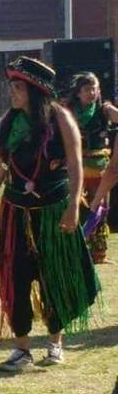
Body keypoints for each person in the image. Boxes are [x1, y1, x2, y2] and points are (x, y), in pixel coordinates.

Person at [0, 56, 101, 372]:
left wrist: (74, 206)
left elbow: (75, 166)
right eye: (11, 87)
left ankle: (55, 344)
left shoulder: (61, 118)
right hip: (16, 211)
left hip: (53, 211)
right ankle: (21, 350)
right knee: (15, 276)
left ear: (34, 90)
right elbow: (0, 167)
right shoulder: (9, 122)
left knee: (54, 276)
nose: (12, 93)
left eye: (17, 87)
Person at [64, 72, 118, 263]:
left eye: (95, 88)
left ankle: (98, 255)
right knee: (74, 209)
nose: (92, 92)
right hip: (75, 170)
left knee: (100, 210)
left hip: (100, 170)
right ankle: (72, 250)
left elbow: (115, 115)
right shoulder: (67, 111)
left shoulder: (104, 109)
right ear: (78, 93)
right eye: (87, 89)